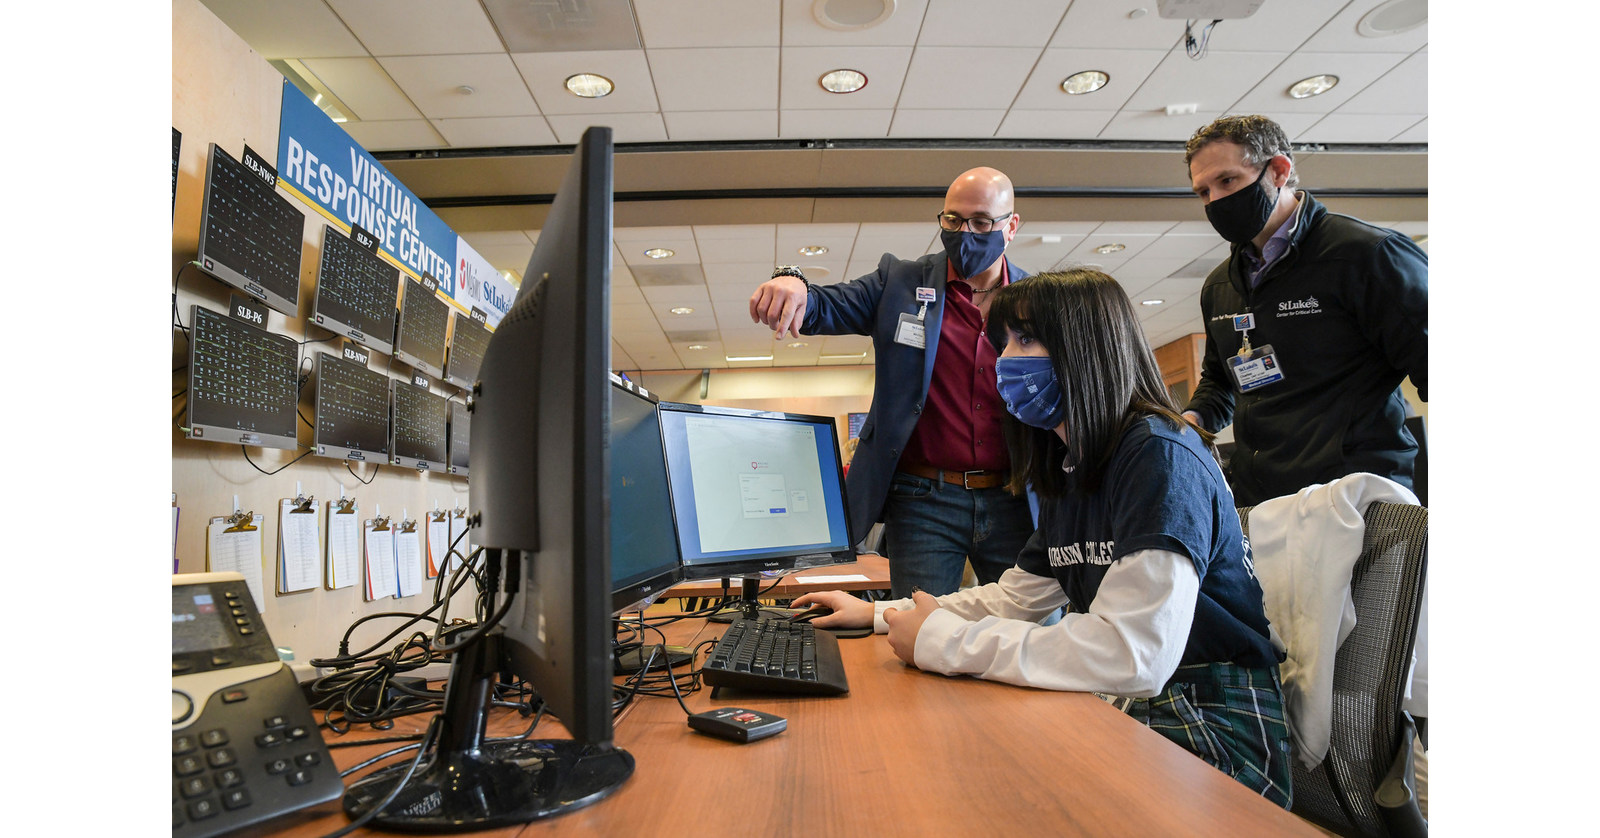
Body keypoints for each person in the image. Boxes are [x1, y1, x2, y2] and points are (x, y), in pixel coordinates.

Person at [793, 269, 1293, 807]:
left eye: (1026, 339)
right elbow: (1013, 600)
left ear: (1086, 348)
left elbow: (1133, 654)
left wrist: (943, 641)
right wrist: (878, 614)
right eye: (1005, 342)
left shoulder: (1158, 454)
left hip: (1217, 726)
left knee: (984, 787)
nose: (1003, 360)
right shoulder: (1074, 466)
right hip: (1144, 702)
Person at [748, 167, 1034, 597]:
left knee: (1032, 624)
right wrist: (793, 280)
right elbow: (825, 305)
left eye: (980, 222)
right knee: (918, 627)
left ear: (1010, 227)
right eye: (952, 220)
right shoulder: (900, 282)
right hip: (924, 500)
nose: (964, 233)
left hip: (1014, 497)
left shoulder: (1038, 300)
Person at [1180, 114, 1428, 507]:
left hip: (1358, 497)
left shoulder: (1365, 256)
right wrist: (1191, 420)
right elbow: (1220, 380)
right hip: (1265, 502)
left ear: (1278, 171)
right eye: (1203, 192)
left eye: (1227, 181)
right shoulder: (1221, 285)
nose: (1215, 201)